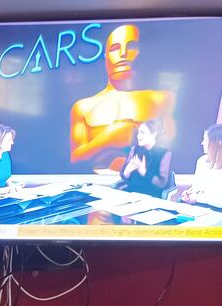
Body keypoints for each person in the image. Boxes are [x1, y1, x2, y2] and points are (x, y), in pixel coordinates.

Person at [70, 24, 175, 172]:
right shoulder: (84, 107)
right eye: (114, 48)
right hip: (96, 186)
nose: (123, 53)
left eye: (131, 46)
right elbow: (75, 160)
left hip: (143, 185)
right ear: (106, 56)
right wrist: (109, 138)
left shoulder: (162, 100)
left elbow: (168, 154)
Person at [117, 119, 173, 198]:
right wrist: (127, 171)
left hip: (151, 196)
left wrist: (144, 172)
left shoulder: (165, 153)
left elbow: (161, 183)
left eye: (142, 133)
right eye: (138, 133)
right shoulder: (134, 149)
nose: (138, 136)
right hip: (131, 194)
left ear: (153, 134)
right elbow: (123, 175)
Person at [179, 123, 222, 205]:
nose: (202, 143)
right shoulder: (202, 161)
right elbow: (197, 187)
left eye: (206, 140)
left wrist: (198, 198)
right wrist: (189, 193)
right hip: (198, 207)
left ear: (219, 142)